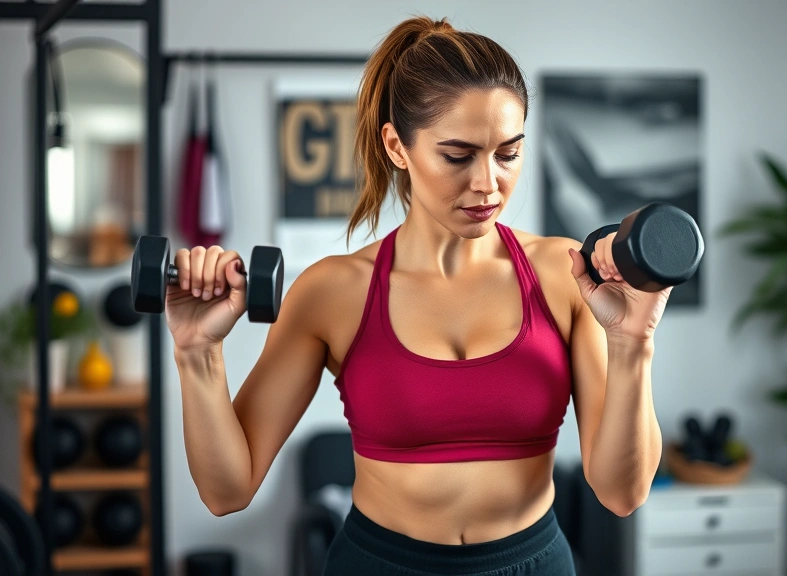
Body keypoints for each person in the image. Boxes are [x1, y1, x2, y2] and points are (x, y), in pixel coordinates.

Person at [166, 15, 670, 576]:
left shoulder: (563, 272)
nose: (488, 183)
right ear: (397, 146)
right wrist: (197, 352)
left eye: (508, 153)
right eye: (457, 155)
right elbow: (226, 491)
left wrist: (632, 344)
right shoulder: (334, 292)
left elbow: (622, 495)